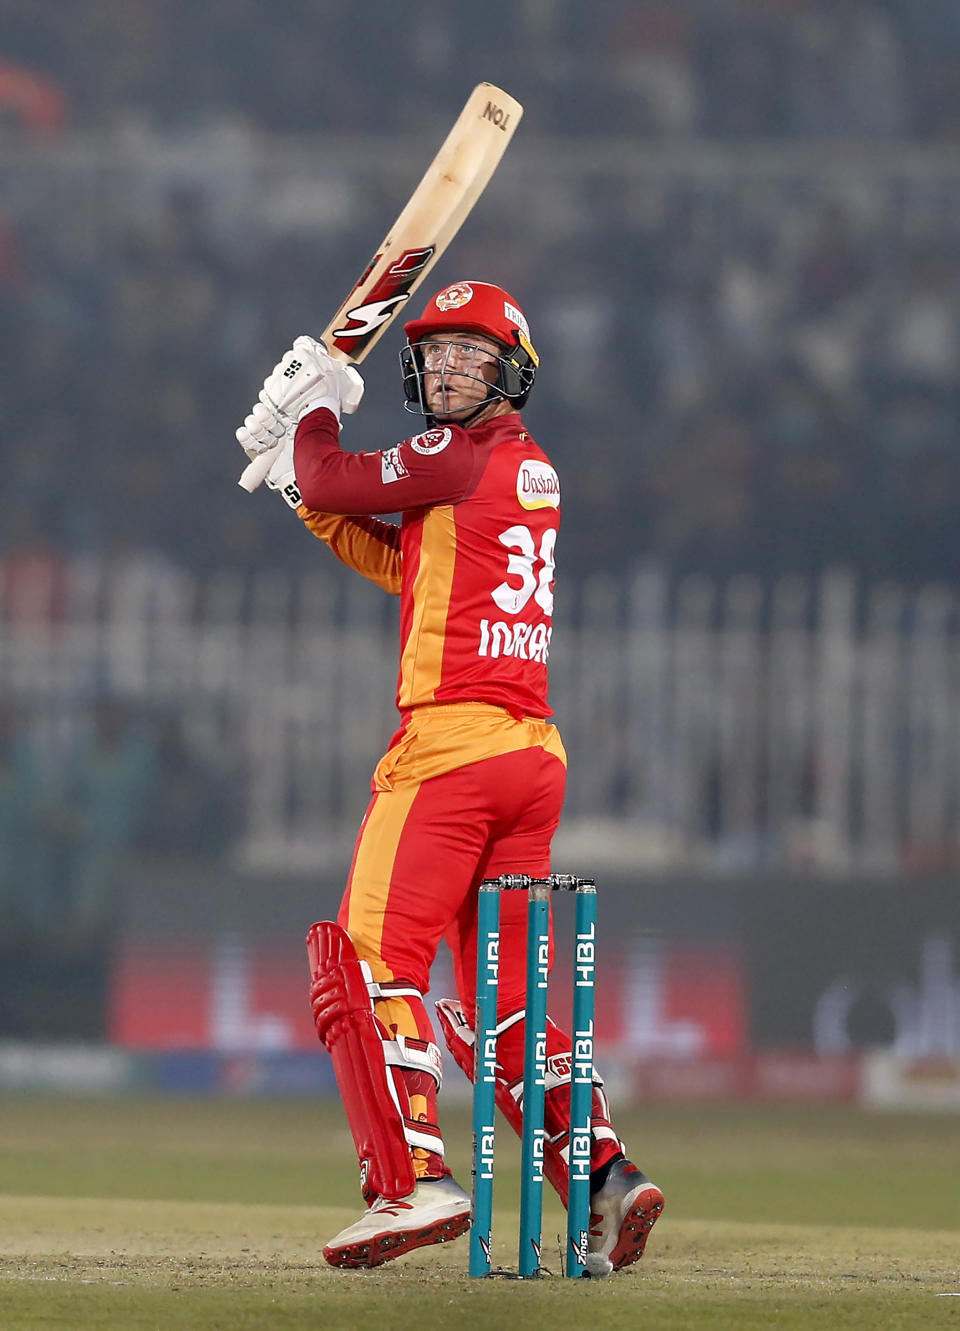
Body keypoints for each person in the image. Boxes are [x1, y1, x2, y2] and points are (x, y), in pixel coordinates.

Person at [235, 280, 664, 1274]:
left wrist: (309, 418)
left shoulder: (456, 453)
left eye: (472, 355)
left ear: (511, 371)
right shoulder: (515, 468)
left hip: (455, 752)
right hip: (530, 757)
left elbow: (348, 477)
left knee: (364, 958)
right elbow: (411, 563)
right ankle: (605, 1177)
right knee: (493, 1002)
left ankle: (408, 1181)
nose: (450, 370)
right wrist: (303, 474)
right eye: (436, 357)